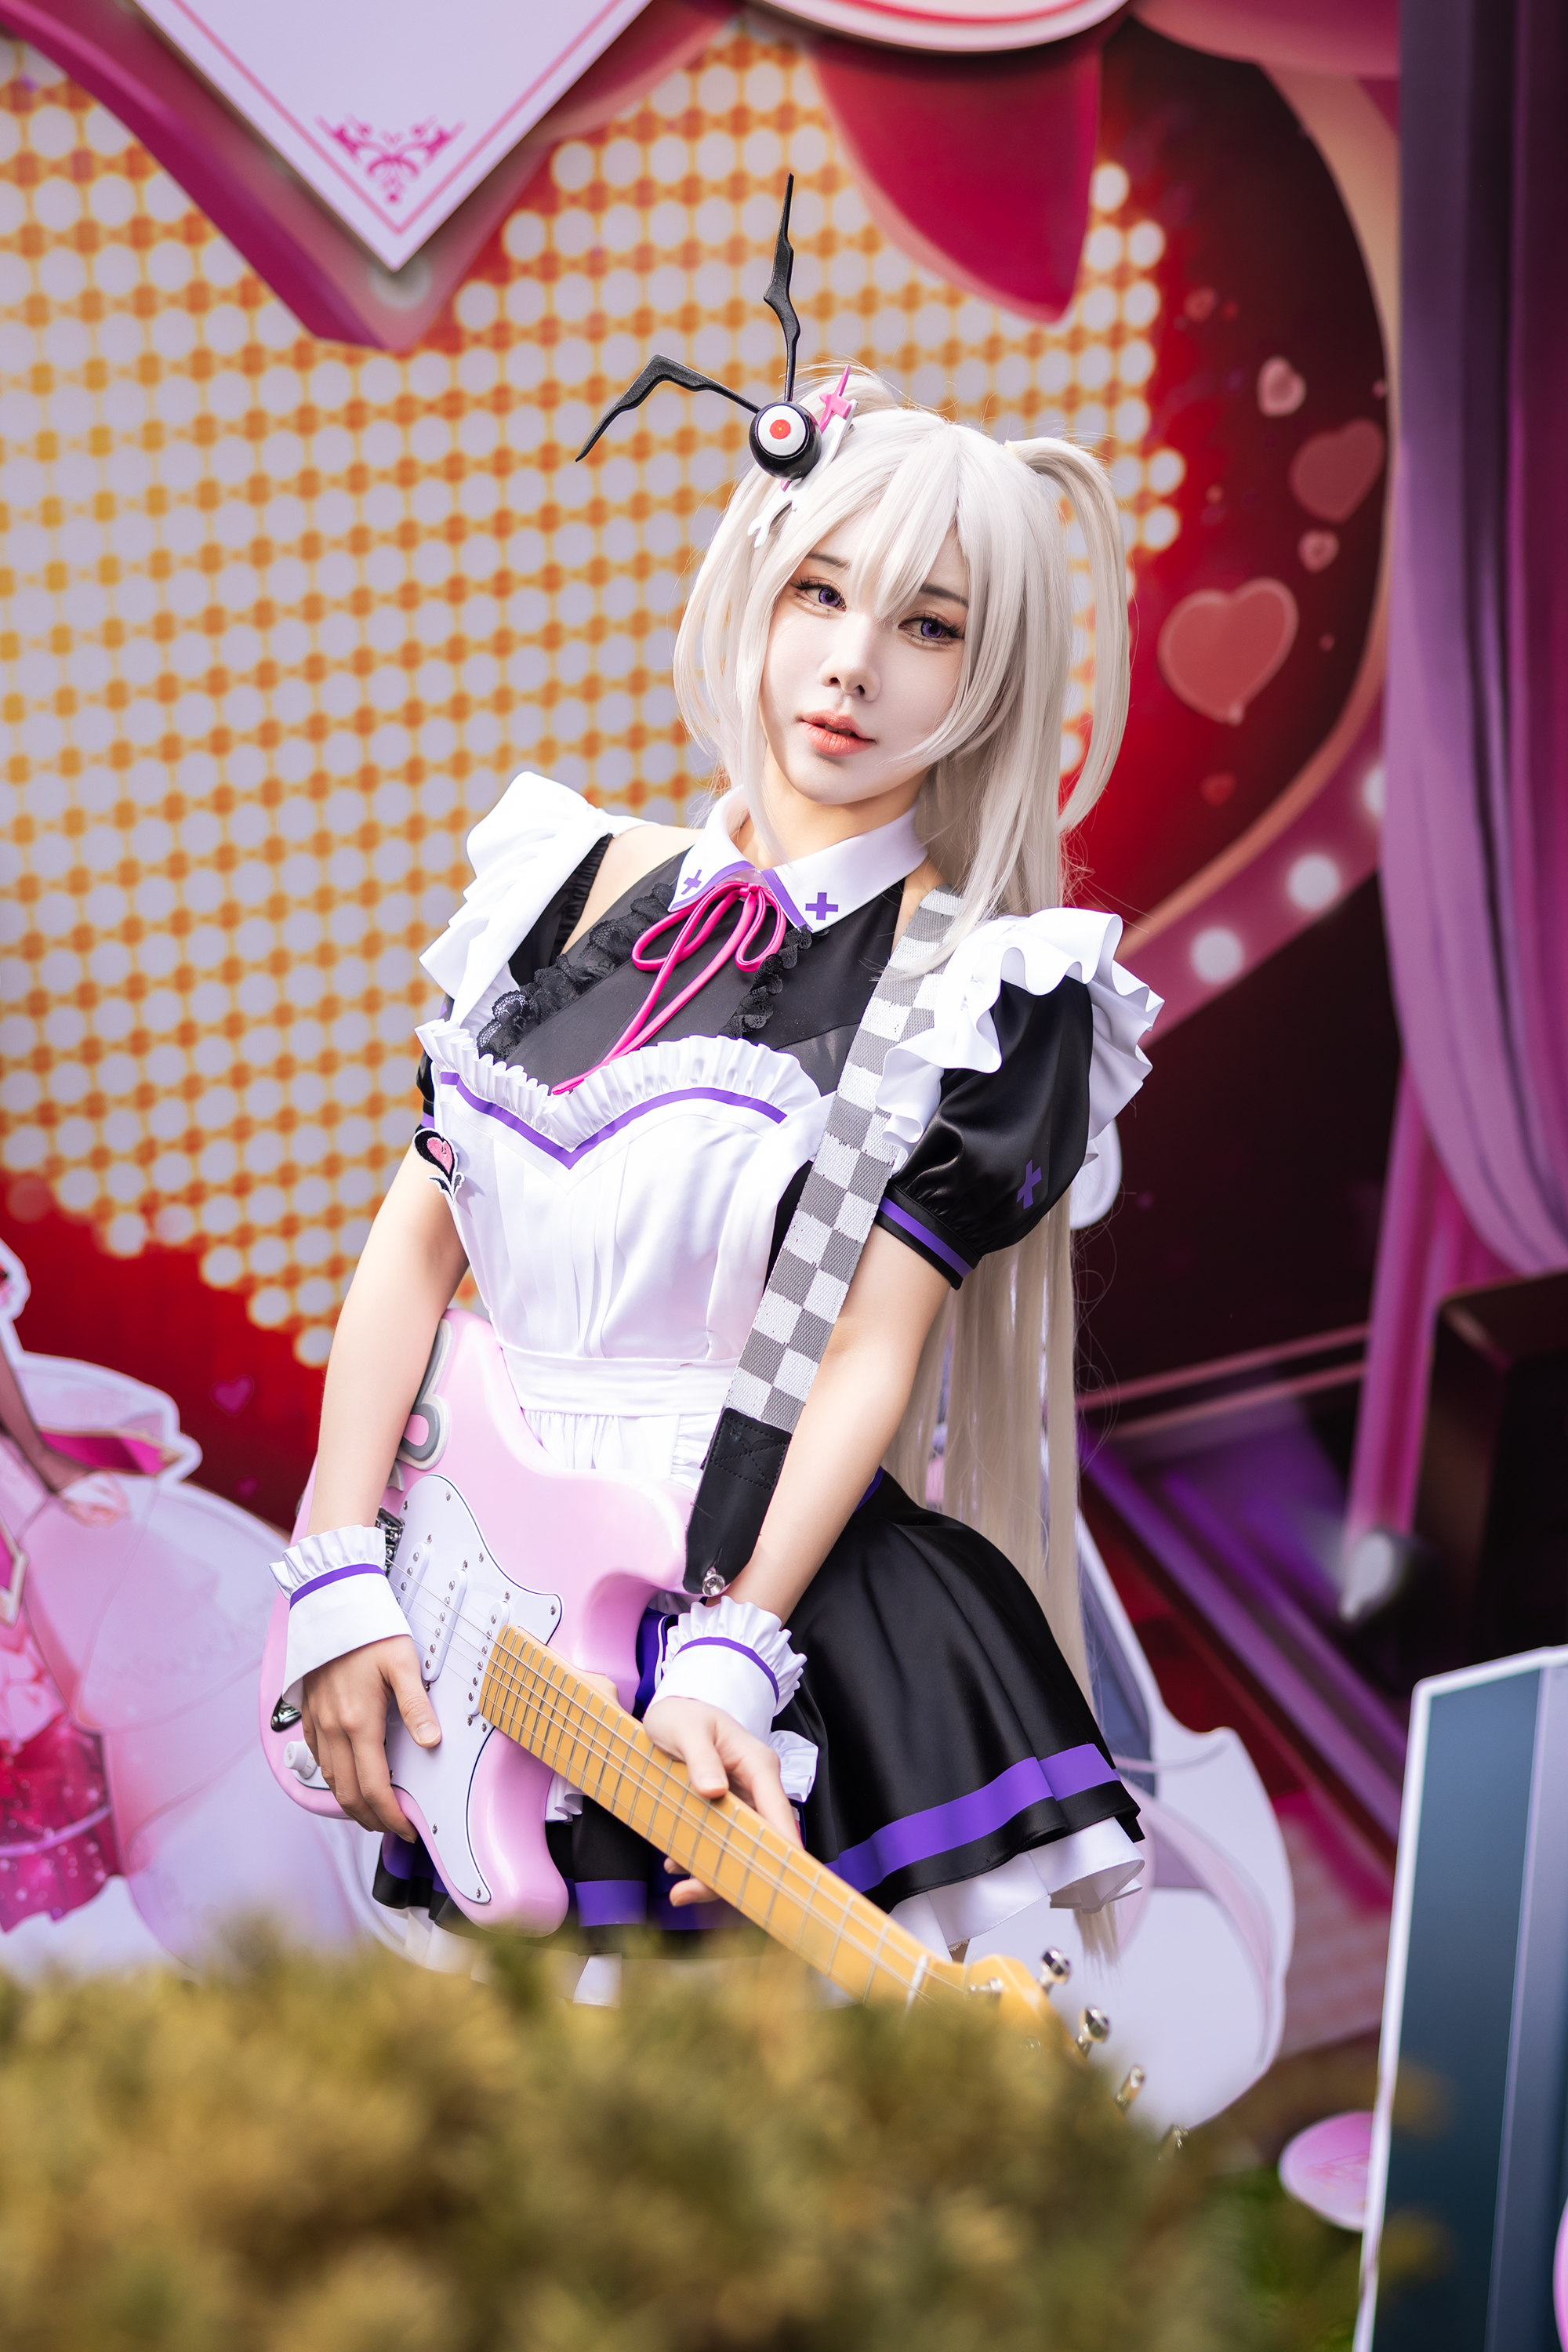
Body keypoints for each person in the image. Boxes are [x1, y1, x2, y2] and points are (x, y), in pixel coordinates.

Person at [275, 368, 1161, 1969]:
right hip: (476, 1592)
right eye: (821, 591)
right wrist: (337, 1562)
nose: (853, 663)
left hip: (760, 1612)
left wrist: (734, 1648)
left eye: (930, 625)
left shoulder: (975, 988)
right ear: (751, 584)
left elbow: (865, 1356)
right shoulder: (560, 882)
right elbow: (417, 1240)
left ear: (990, 678)